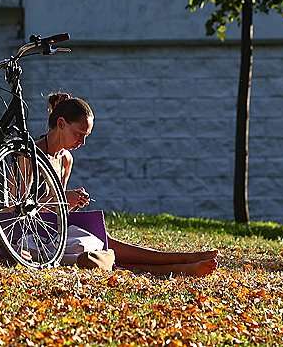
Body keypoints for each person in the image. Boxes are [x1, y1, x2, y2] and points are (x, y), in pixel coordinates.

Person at [35, 92, 218, 277]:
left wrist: (70, 203)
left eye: (86, 136)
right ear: (60, 124)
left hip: (55, 229)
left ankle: (181, 263)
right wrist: (63, 198)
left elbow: (58, 212)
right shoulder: (30, 155)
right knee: (105, 246)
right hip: (31, 234)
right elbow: (11, 211)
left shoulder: (66, 159)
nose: (82, 142)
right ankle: (180, 263)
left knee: (105, 244)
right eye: (78, 134)